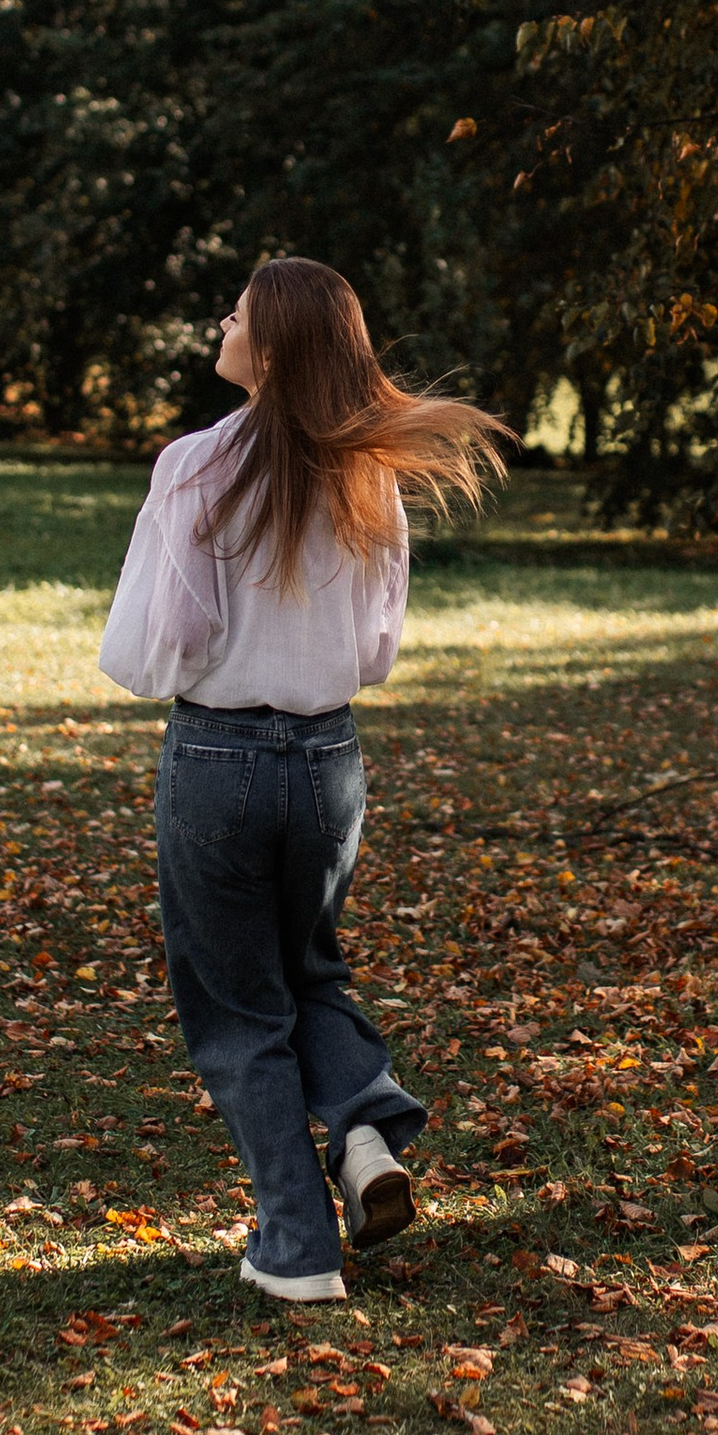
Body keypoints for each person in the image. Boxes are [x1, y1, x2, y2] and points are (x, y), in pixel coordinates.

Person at [98, 258, 508, 1301]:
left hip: (219, 758)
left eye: (236, 314)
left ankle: (297, 1249)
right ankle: (364, 1128)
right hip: (328, 761)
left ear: (272, 348)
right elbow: (374, 651)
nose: (222, 324)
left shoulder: (195, 466)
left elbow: (160, 645)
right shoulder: (368, 475)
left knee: (238, 1008)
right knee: (309, 969)